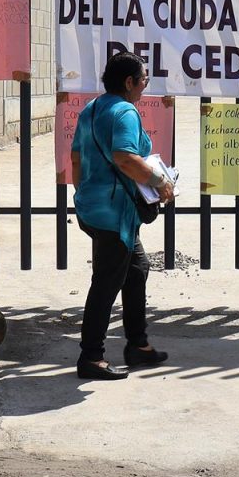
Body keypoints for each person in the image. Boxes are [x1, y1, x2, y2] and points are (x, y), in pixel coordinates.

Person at [69, 51, 175, 381]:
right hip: (113, 214)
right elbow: (125, 158)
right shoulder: (125, 112)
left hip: (96, 209)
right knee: (106, 283)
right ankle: (91, 357)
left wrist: (86, 193)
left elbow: (75, 158)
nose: (145, 86)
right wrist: (161, 183)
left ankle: (138, 346)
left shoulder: (92, 108)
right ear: (129, 82)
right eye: (144, 80)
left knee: (136, 269)